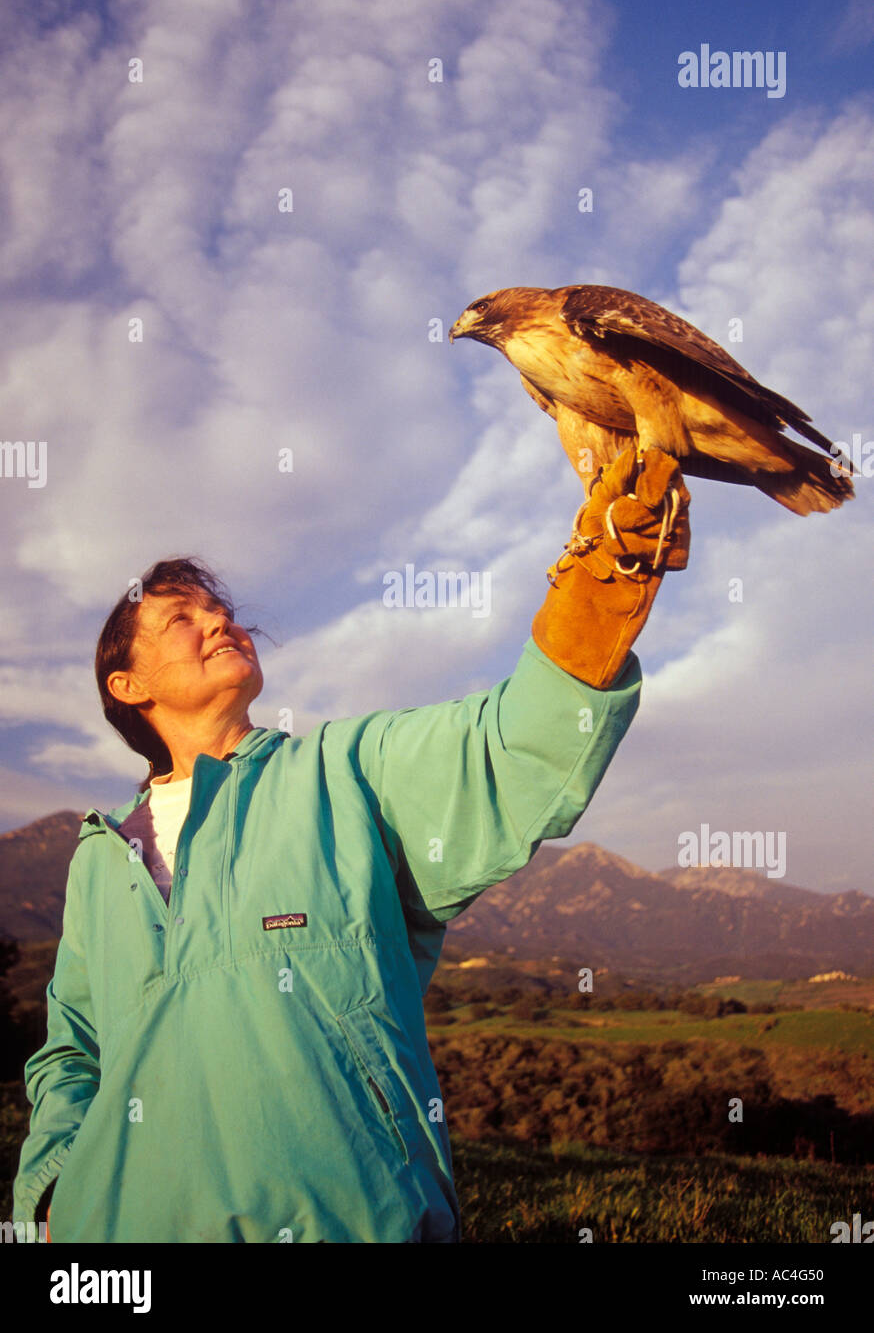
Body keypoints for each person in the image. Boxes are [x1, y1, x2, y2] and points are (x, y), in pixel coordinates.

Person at [12, 447, 689, 1243]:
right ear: (127, 686)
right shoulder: (98, 858)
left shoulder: (343, 773)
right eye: (181, 618)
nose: (220, 620)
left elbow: (508, 749)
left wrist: (606, 583)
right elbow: (73, 1049)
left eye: (217, 609)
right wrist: (53, 1193)